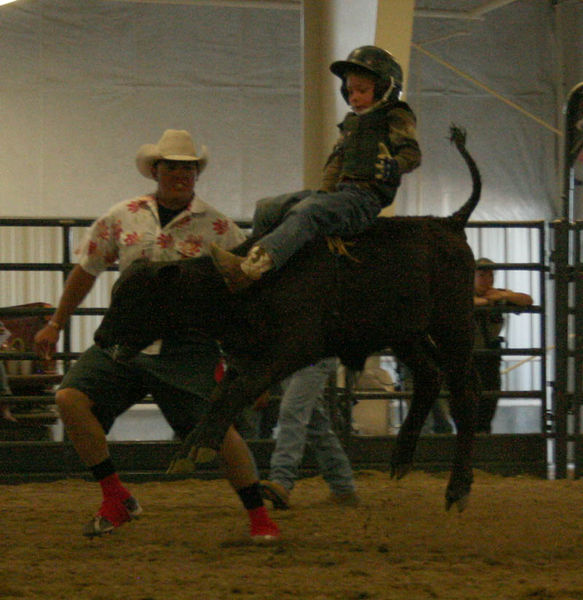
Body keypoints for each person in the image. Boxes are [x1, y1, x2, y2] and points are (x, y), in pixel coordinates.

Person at [33, 129, 280, 542]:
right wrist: (56, 321)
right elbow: (86, 269)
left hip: (187, 344)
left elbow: (250, 295)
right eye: (172, 167)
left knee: (221, 431)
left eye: (188, 167)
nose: (180, 174)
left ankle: (260, 517)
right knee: (70, 398)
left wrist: (254, 363)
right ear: (156, 171)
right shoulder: (122, 216)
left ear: (196, 174)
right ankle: (115, 496)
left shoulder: (219, 228)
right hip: (125, 338)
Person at [210, 45, 421, 291]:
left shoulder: (396, 115)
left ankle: (250, 271)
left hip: (366, 201)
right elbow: (335, 163)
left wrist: (394, 166)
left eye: (362, 90)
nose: (353, 97)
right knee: (267, 207)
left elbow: (411, 153)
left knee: (310, 210)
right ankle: (252, 258)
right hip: (340, 195)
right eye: (350, 91)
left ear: (386, 88)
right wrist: (325, 193)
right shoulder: (351, 124)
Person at [261, 358, 359, 510]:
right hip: (294, 359)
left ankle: (282, 482)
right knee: (316, 424)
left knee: (292, 412)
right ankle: (343, 488)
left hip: (313, 358)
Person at [473, 257, 534, 433]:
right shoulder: (460, 293)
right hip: (465, 360)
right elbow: (461, 302)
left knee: (488, 404)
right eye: (482, 275)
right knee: (465, 408)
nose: (487, 280)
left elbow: (527, 300)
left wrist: (505, 295)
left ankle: (483, 443)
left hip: (489, 360)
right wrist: (486, 302)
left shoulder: (498, 296)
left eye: (491, 275)